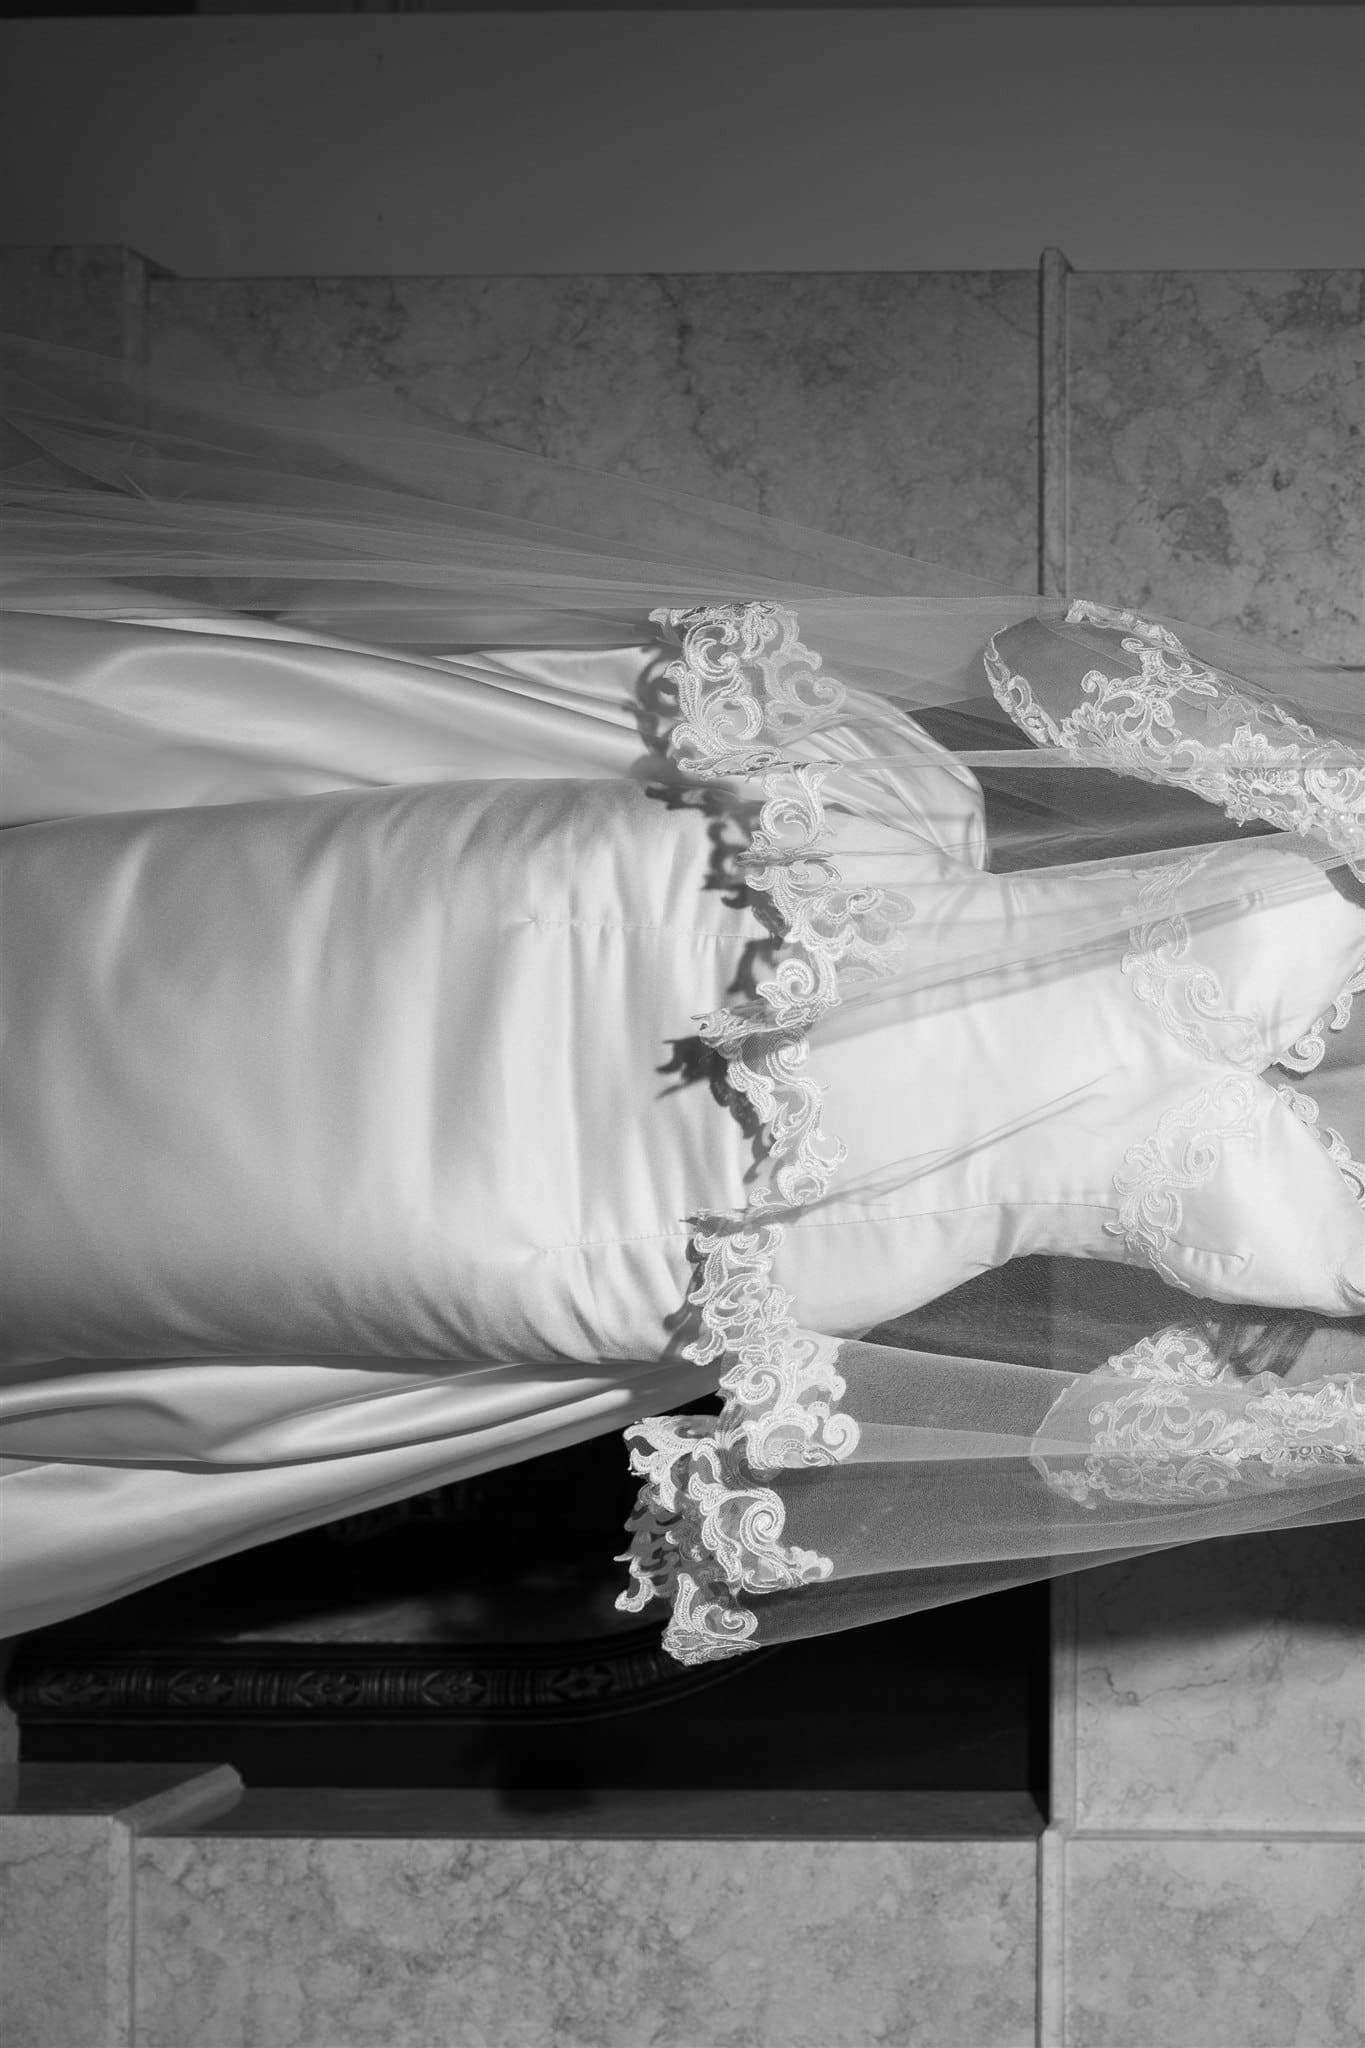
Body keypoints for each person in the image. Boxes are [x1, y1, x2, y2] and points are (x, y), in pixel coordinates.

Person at [1, 334, 1361, 1666]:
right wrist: (1315, 777)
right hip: (737, 918)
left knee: (206, 1221)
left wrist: (1270, 1376)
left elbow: (1081, 1457)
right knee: (210, 934)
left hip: (737, 1232)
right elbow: (1042, 660)